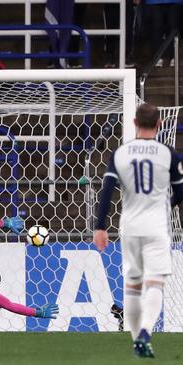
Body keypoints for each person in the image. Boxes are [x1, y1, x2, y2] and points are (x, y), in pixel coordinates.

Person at [94, 103, 183, 358]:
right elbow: (180, 192)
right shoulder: (169, 154)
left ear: (134, 123)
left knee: (132, 286)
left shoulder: (120, 153)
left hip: (130, 226)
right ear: (160, 124)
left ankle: (136, 341)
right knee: (155, 283)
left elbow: (107, 191)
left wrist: (100, 227)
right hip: (157, 225)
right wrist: (169, 204)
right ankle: (145, 331)